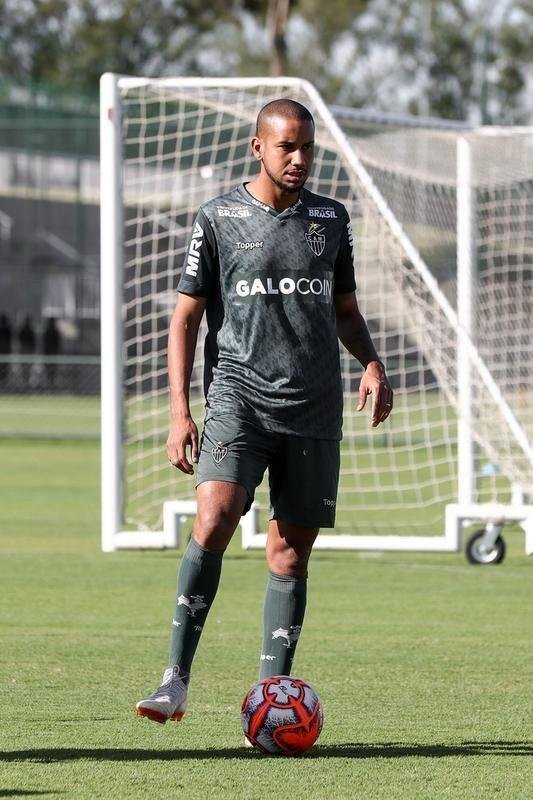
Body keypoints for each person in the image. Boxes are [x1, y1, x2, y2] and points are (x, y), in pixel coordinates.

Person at [135, 99, 393, 725]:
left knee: (289, 554)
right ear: (258, 147)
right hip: (237, 398)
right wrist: (179, 411)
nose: (300, 158)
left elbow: (346, 311)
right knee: (217, 513)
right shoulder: (218, 218)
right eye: (287, 147)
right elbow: (185, 318)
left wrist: (373, 363)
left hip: (312, 408)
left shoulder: (330, 220)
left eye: (308, 147)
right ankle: (175, 678)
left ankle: (269, 703)